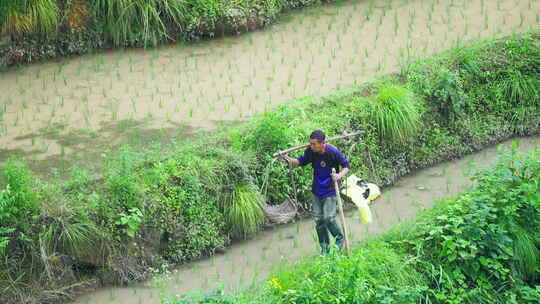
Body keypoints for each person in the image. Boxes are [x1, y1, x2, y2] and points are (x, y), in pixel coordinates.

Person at [282, 130, 350, 255]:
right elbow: (300, 161)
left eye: (313, 144)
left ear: (322, 143)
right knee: (319, 220)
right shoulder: (311, 152)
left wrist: (339, 175)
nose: (311, 146)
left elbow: (346, 166)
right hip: (317, 190)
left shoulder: (333, 152)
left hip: (330, 189)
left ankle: (339, 240)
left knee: (329, 218)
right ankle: (325, 248)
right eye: (310, 143)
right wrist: (288, 159)